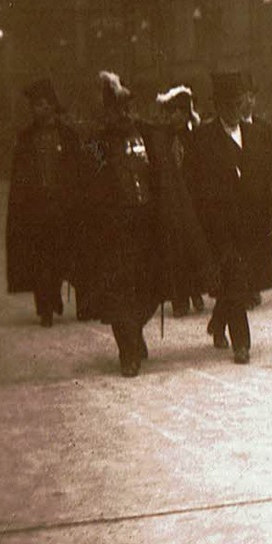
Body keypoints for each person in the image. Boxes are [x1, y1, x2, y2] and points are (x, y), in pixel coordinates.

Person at [78, 71, 216, 376]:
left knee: (150, 290)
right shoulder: (97, 144)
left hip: (146, 226)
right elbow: (90, 185)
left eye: (128, 108)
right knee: (119, 294)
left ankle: (133, 330)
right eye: (119, 109)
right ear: (109, 111)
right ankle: (128, 352)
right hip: (114, 230)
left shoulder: (146, 133)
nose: (125, 114)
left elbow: (170, 132)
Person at [188, 72, 272, 364]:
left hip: (252, 223)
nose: (233, 109)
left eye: (237, 103)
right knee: (233, 276)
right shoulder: (202, 139)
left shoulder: (257, 135)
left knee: (239, 280)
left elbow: (270, 176)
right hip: (220, 225)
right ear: (216, 106)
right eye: (227, 104)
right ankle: (242, 343)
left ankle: (218, 323)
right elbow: (194, 184)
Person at [6, 78, 80, 327]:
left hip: (62, 208)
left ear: (51, 106)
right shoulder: (26, 139)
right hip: (36, 209)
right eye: (34, 106)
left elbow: (76, 171)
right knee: (40, 259)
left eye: (41, 105)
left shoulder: (67, 136)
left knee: (59, 256)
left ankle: (53, 295)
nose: (37, 110)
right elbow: (20, 179)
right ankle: (45, 306)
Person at [154, 86, 214, 319]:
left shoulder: (196, 138)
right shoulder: (163, 139)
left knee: (194, 248)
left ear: (187, 113)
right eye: (171, 113)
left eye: (178, 112)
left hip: (194, 200)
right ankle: (179, 297)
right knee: (175, 250)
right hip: (171, 201)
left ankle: (195, 291)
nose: (173, 117)